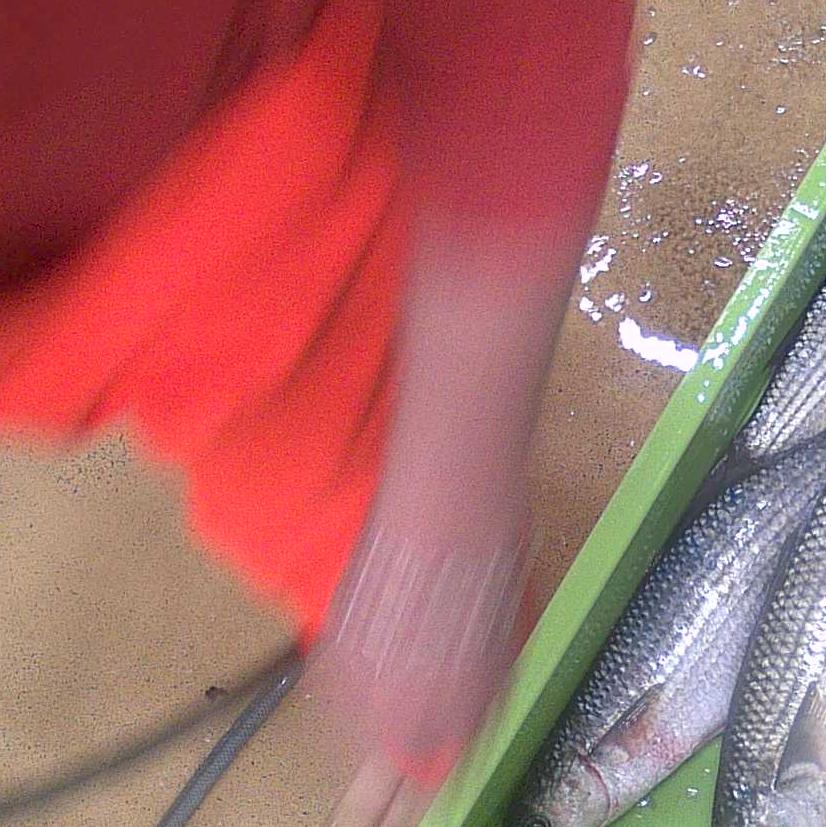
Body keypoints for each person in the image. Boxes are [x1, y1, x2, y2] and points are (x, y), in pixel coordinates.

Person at [0, 0, 636, 822]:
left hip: (250, 149)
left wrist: (446, 500)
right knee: (361, 549)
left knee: (380, 532)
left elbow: (517, 31)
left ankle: (483, 729)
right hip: (52, 321)